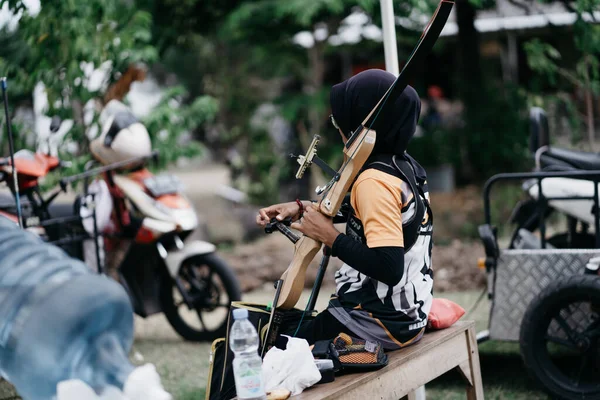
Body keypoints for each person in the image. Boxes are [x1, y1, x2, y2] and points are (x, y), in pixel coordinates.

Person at [256, 69, 434, 350]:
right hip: (406, 316)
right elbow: (377, 217)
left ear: (357, 124)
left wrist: (332, 238)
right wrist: (302, 209)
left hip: (375, 321)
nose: (336, 125)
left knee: (269, 347)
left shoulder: (373, 182)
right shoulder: (402, 165)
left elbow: (389, 267)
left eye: (338, 118)